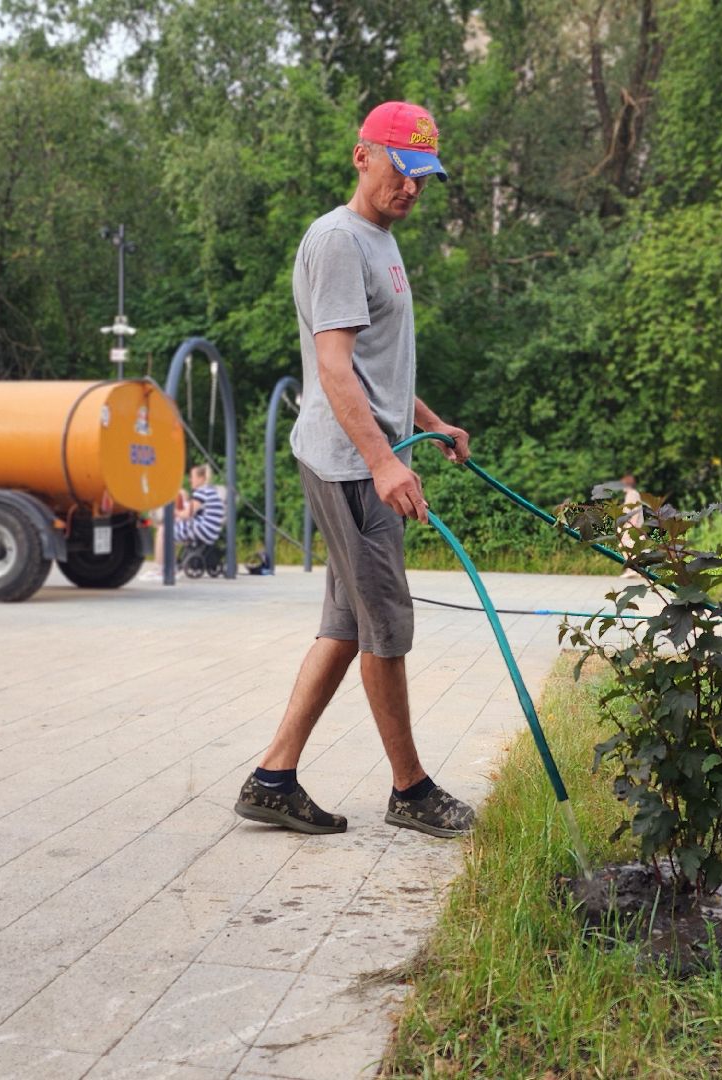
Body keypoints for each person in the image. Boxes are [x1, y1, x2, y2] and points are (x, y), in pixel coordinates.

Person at [233, 100, 477, 840]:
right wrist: (382, 463)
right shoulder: (338, 240)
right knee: (386, 626)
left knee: (346, 625)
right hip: (349, 464)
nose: (412, 190)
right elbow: (332, 369)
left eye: (423, 181)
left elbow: (375, 368)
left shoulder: (379, 238)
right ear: (362, 156)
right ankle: (410, 790)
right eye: (403, 173)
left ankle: (272, 778)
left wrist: (427, 424)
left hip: (364, 455)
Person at [174, 463, 226, 547]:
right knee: (171, 526)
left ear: (201, 479)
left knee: (164, 531)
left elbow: (187, 514)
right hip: (210, 532)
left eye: (192, 477)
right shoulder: (210, 490)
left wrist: (173, 511)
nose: (190, 480)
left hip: (202, 530)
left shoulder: (202, 491)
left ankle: (164, 560)